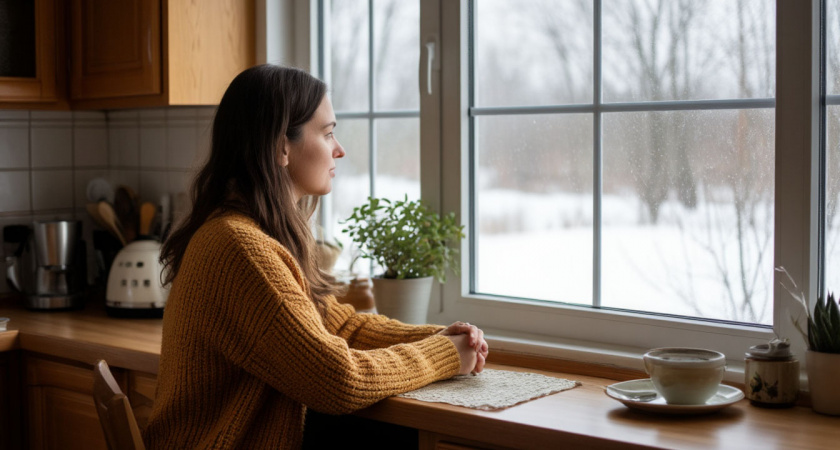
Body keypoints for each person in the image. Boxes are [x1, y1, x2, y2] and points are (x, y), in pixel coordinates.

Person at [142, 64, 489, 449]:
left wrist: (445, 337)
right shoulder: (239, 248)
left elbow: (338, 328)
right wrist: (443, 354)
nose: (339, 149)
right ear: (281, 146)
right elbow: (336, 380)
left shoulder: (252, 234)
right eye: (327, 134)